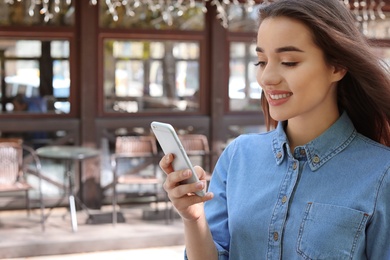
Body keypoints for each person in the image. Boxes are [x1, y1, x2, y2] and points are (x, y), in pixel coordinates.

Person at [159, 0, 390, 259]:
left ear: (336, 66)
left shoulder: (382, 173)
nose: (267, 77)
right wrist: (193, 218)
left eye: (289, 62)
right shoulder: (239, 156)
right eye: (261, 61)